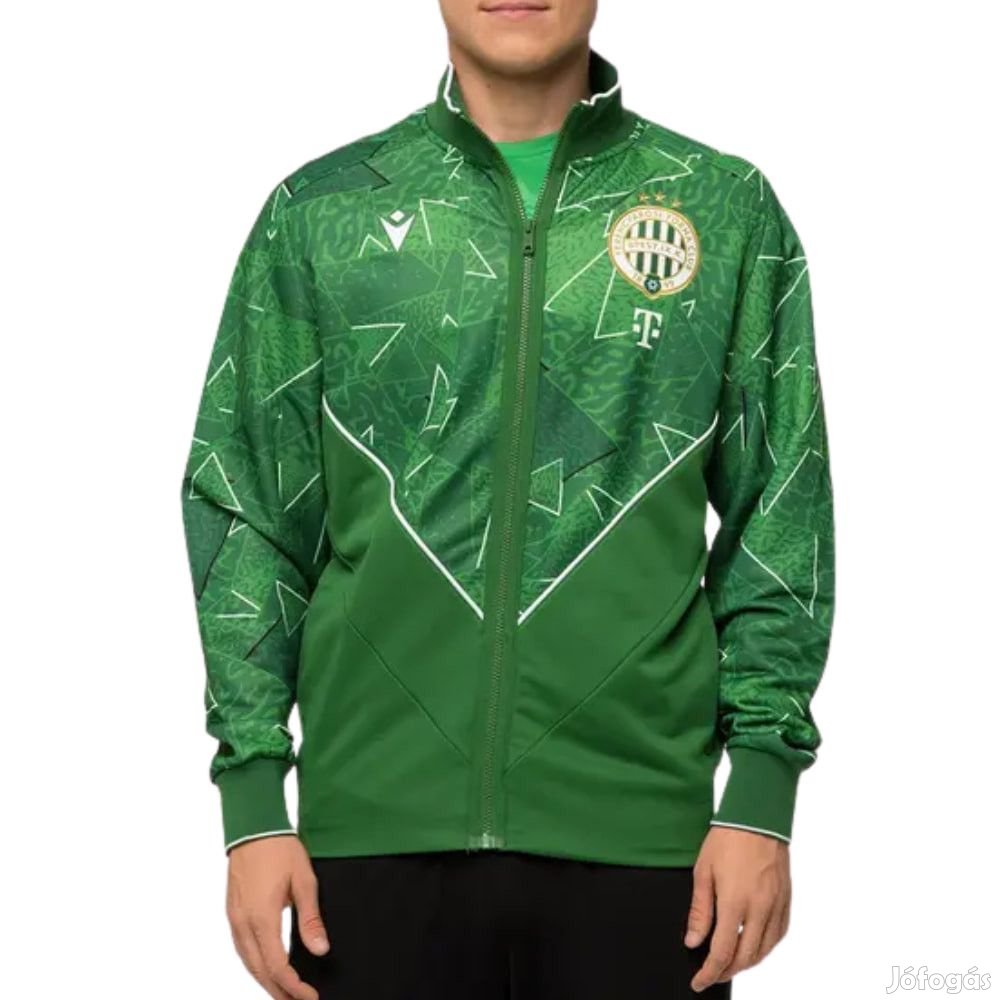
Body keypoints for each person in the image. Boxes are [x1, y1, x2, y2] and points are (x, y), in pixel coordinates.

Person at [179, 1, 836, 996]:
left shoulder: (723, 207)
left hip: (648, 845)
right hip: (369, 838)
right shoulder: (321, 214)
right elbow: (248, 508)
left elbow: (780, 509)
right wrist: (254, 802)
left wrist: (760, 796)